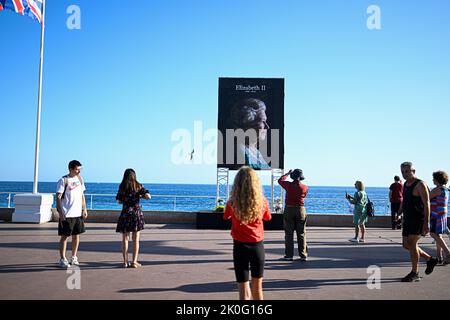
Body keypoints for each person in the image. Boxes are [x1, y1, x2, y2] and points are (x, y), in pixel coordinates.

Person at [223, 166, 272, 300]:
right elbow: (268, 217)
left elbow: (225, 216)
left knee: (243, 291)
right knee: (258, 288)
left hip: (239, 247)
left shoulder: (232, 203)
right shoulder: (262, 202)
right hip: (257, 247)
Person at [399, 162, 438, 282]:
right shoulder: (405, 184)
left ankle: (414, 272)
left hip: (418, 219)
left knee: (412, 243)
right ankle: (429, 259)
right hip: (408, 219)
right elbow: (405, 200)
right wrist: (399, 212)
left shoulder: (420, 184)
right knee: (406, 245)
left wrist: (427, 222)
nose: (405, 174)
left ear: (413, 171)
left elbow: (427, 204)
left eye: (407, 171)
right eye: (403, 172)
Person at [116, 169, 151, 268]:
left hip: (125, 214)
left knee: (125, 239)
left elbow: (119, 201)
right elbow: (149, 197)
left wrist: (126, 199)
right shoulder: (139, 185)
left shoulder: (122, 186)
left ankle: (125, 262)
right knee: (136, 239)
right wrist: (140, 196)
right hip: (136, 214)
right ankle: (134, 262)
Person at [56, 160, 88, 268]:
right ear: (71, 169)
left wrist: (84, 209)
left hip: (77, 213)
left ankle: (74, 257)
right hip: (67, 213)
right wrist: (61, 212)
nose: (79, 171)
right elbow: (58, 197)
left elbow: (82, 195)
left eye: (80, 169)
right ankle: (62, 259)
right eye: (77, 169)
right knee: (65, 236)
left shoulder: (80, 179)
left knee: (76, 236)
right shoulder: (63, 180)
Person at [230, 98, 270, 169]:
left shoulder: (255, 151)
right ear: (247, 124)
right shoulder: (240, 152)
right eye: (262, 121)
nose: (267, 127)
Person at [278, 169, 309, 261]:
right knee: (301, 233)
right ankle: (303, 255)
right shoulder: (305, 187)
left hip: (289, 209)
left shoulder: (288, 185)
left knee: (289, 234)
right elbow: (304, 195)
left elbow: (280, 180)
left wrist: (287, 174)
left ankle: (289, 255)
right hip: (300, 209)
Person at [429, 171, 450, 265]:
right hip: (442, 214)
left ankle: (448, 253)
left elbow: (426, 198)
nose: (432, 179)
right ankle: (439, 256)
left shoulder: (437, 189)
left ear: (437, 179)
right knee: (438, 235)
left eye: (434, 178)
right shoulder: (445, 189)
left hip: (435, 214)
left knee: (433, 234)